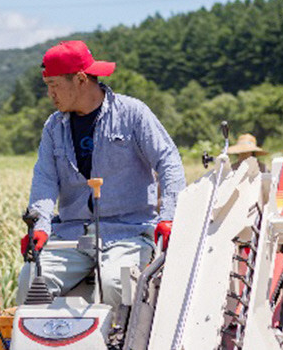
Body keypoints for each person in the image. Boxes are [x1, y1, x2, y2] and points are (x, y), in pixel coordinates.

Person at [17, 40, 186, 311]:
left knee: (116, 283)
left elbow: (169, 162)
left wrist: (169, 216)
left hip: (128, 230)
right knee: (31, 279)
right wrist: (41, 225)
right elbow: (45, 180)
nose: (50, 94)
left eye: (54, 85)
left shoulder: (133, 114)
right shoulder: (53, 126)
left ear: (81, 79)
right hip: (72, 233)